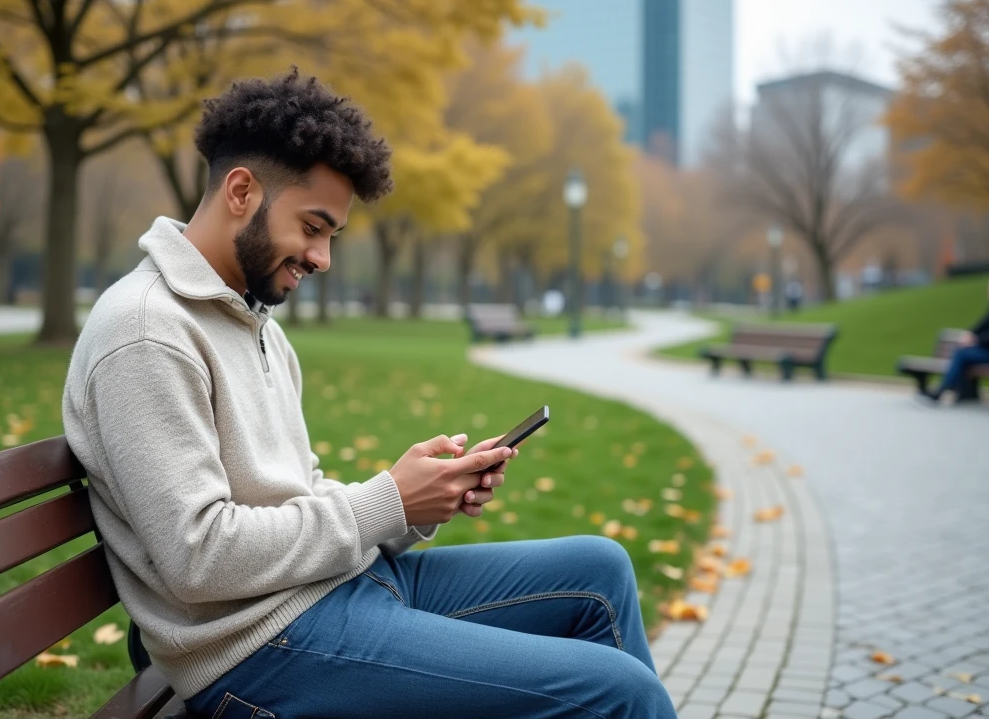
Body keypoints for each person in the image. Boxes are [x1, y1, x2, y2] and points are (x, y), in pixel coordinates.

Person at [62, 70, 674, 718]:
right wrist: (386, 499)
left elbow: (296, 500)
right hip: (259, 648)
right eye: (313, 227)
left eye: (332, 235)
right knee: (619, 691)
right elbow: (198, 558)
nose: (323, 258)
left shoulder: (253, 322)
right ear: (242, 191)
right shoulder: (147, 330)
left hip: (332, 594)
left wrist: (416, 505)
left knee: (600, 572)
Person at [919, 272, 989, 403]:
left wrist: (977, 340)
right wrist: (969, 334)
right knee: (962, 353)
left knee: (962, 354)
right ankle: (957, 390)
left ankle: (943, 389)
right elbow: (981, 325)